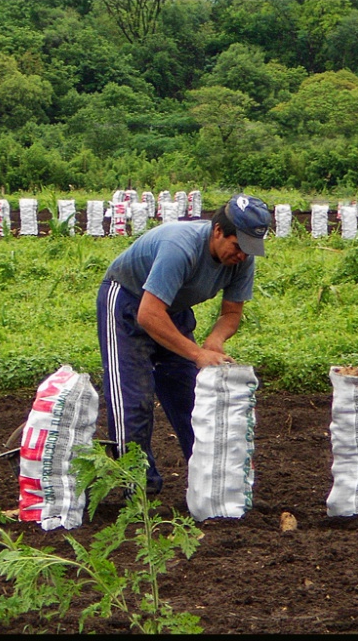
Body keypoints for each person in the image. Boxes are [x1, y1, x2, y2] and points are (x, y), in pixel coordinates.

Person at [96, 193, 271, 494]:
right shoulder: (181, 247)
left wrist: (214, 341)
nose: (242, 255)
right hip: (128, 300)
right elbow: (148, 314)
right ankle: (138, 487)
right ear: (218, 231)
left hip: (171, 310)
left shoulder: (242, 261)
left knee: (192, 398)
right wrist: (196, 353)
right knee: (133, 399)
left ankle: (209, 480)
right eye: (238, 245)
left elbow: (231, 312)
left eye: (249, 248)